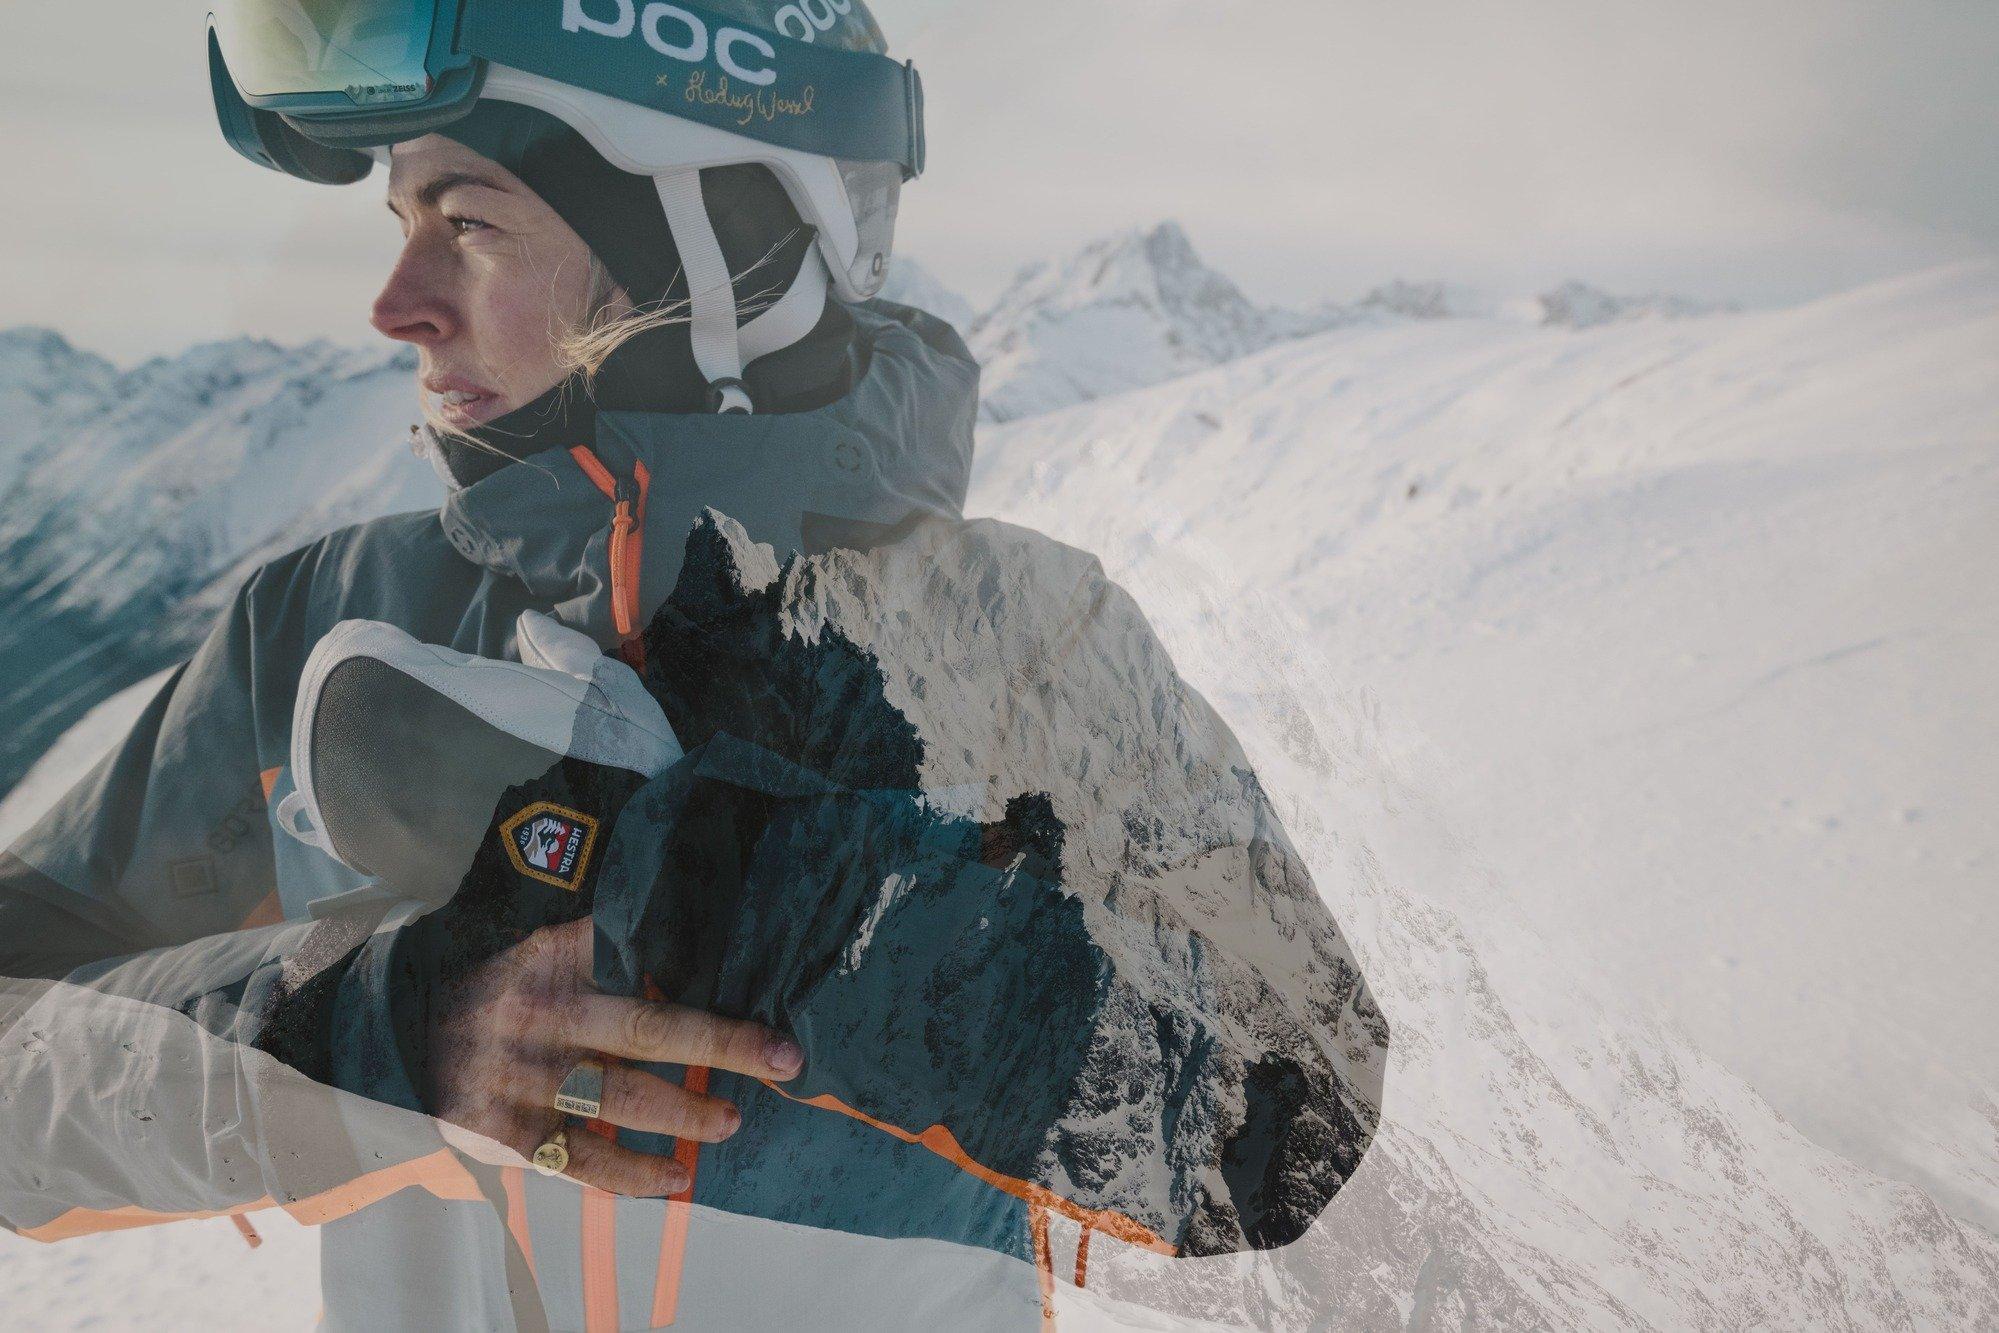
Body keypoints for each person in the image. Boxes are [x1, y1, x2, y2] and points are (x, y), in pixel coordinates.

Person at [0, 3, 1387, 1328]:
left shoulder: (1021, 637)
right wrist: (365, 1035)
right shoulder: (328, 617)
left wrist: (791, 910)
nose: (395, 302)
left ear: (699, 242)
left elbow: (1290, 1125)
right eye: (398, 218)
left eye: (469, 221)